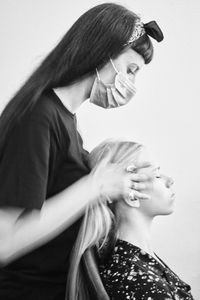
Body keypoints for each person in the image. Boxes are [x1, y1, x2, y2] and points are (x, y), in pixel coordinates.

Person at [0, 3, 164, 300]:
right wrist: (95, 186)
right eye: (130, 70)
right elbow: (4, 242)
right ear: (102, 53)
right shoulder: (38, 117)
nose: (131, 84)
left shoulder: (66, 121)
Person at [68, 139, 194, 300]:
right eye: (156, 174)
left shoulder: (138, 262)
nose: (170, 180)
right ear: (132, 197)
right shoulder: (137, 281)